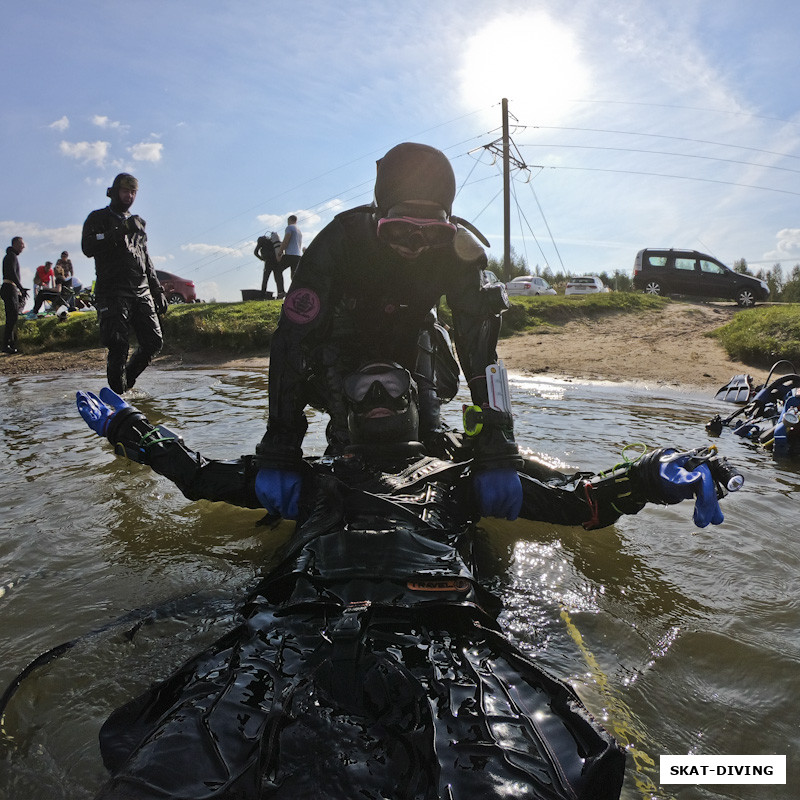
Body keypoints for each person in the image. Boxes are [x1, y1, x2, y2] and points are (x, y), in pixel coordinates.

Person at [73, 364, 732, 800]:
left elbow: (582, 505)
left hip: (449, 642)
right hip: (283, 636)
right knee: (160, 783)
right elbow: (201, 477)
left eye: (392, 389)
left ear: (418, 406)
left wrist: (650, 474)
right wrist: (138, 431)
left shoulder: (466, 478)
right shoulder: (305, 477)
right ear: (346, 412)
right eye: (363, 391)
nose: (379, 400)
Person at [256, 142, 522, 524]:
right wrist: (280, 452)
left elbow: (478, 348)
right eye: (399, 231)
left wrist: (498, 450)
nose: (414, 246)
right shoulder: (339, 240)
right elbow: (292, 342)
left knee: (430, 430)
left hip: (414, 341)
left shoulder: (457, 249)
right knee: (349, 440)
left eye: (429, 234)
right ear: (378, 218)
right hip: (341, 344)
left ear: (447, 228)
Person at [81, 173, 168, 394]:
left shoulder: (137, 223)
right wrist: (121, 230)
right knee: (118, 345)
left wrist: (156, 289)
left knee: (153, 342)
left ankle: (123, 385)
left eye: (133, 192)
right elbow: (88, 247)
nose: (129, 196)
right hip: (112, 292)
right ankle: (118, 395)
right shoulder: (98, 218)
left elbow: (146, 258)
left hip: (140, 291)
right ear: (114, 191)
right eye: (125, 191)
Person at [2, 236, 27, 354]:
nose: (23, 246)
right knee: (12, 317)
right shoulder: (11, 256)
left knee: (12, 316)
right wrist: (21, 288)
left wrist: (19, 288)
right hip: (9, 287)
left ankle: (10, 344)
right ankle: (5, 345)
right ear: (16, 244)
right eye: (21, 244)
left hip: (10, 287)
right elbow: (12, 273)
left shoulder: (10, 256)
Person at [254, 230, 285, 297]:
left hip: (268, 262)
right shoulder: (272, 240)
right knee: (278, 278)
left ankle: (263, 294)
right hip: (276, 261)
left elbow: (255, 252)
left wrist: (262, 259)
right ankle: (280, 293)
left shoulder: (261, 240)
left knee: (265, 279)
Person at [277, 214, 302, 280]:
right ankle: (295, 290)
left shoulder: (289, 227)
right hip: (298, 256)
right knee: (294, 276)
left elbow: (286, 240)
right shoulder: (299, 230)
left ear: (289, 220)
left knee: (277, 270)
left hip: (290, 255)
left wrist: (280, 253)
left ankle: (281, 290)